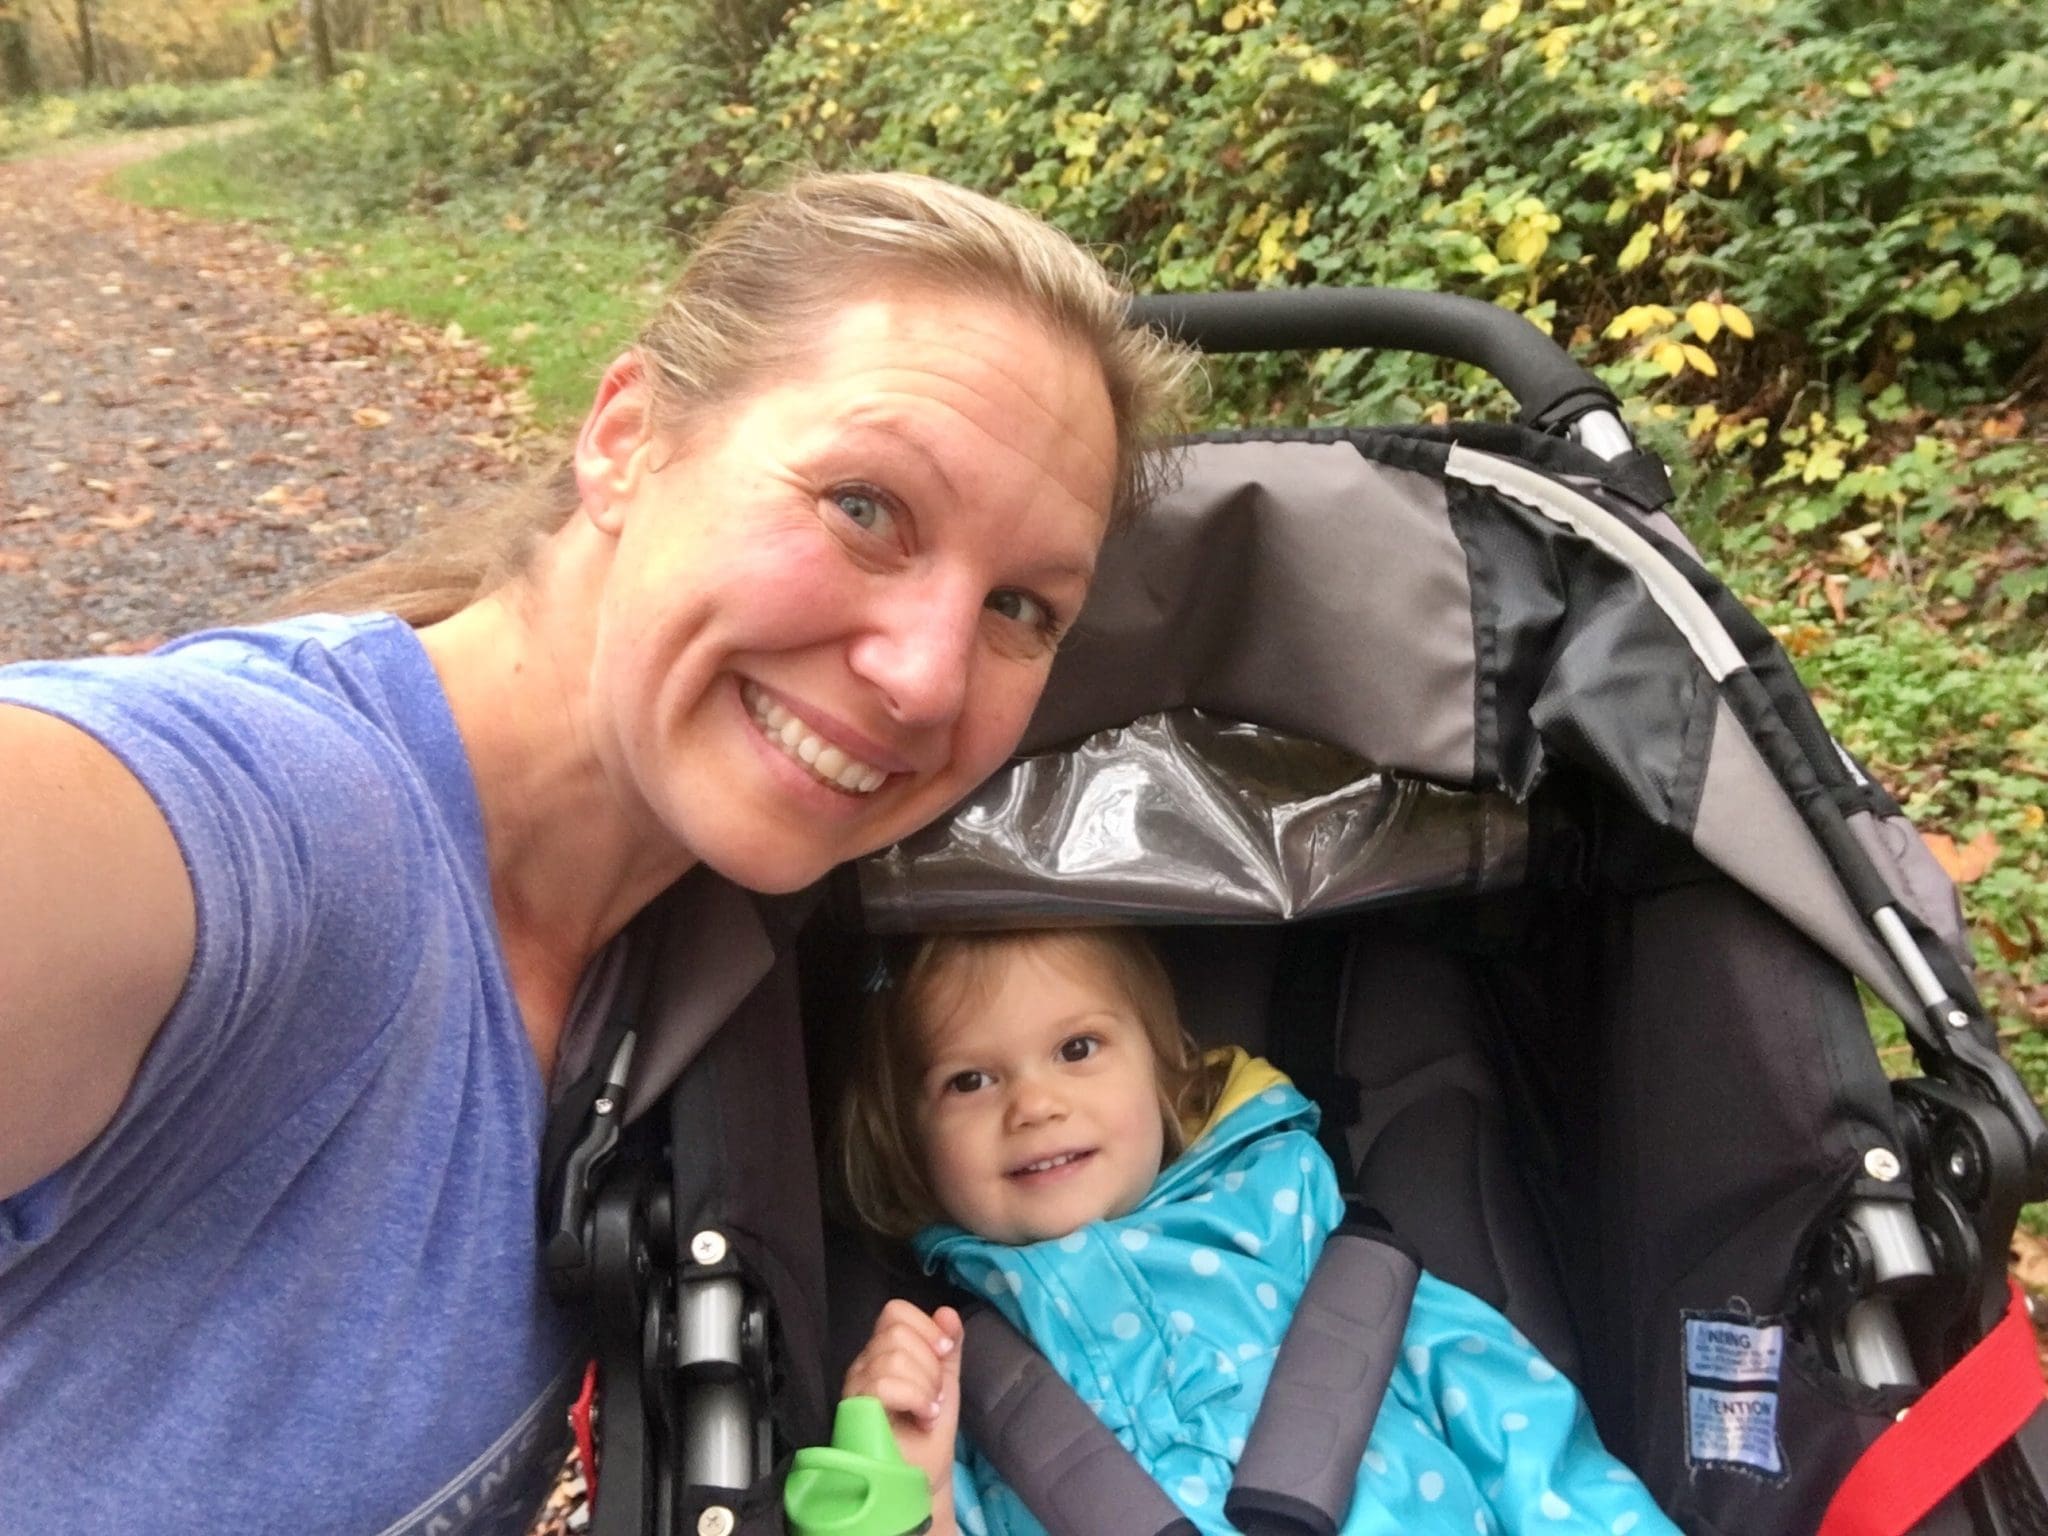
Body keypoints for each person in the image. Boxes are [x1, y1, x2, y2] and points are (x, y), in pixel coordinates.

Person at [0, 172, 1194, 1536]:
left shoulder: (683, 945)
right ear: (625, 438)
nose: (926, 679)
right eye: (864, 507)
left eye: (1019, 606)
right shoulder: (261, 821)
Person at [836, 928, 1682, 1536]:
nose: (1034, 1104)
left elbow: (1521, 1432)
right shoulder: (952, 1372)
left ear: (1167, 1071)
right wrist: (915, 1493)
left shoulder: (1314, 1251)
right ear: (909, 1141)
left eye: (1078, 1048)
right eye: (970, 1080)